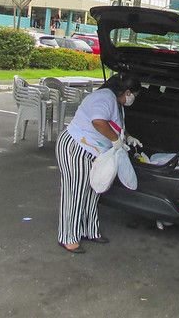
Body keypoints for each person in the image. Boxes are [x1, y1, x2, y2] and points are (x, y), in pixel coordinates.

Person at [55, 73, 142, 253]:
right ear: (127, 92)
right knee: (75, 192)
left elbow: (116, 125)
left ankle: (90, 230)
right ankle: (68, 237)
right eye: (134, 95)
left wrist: (127, 137)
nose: (133, 99)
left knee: (93, 190)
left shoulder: (117, 103)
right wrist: (115, 140)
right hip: (76, 147)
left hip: (93, 152)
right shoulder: (105, 97)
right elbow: (98, 122)